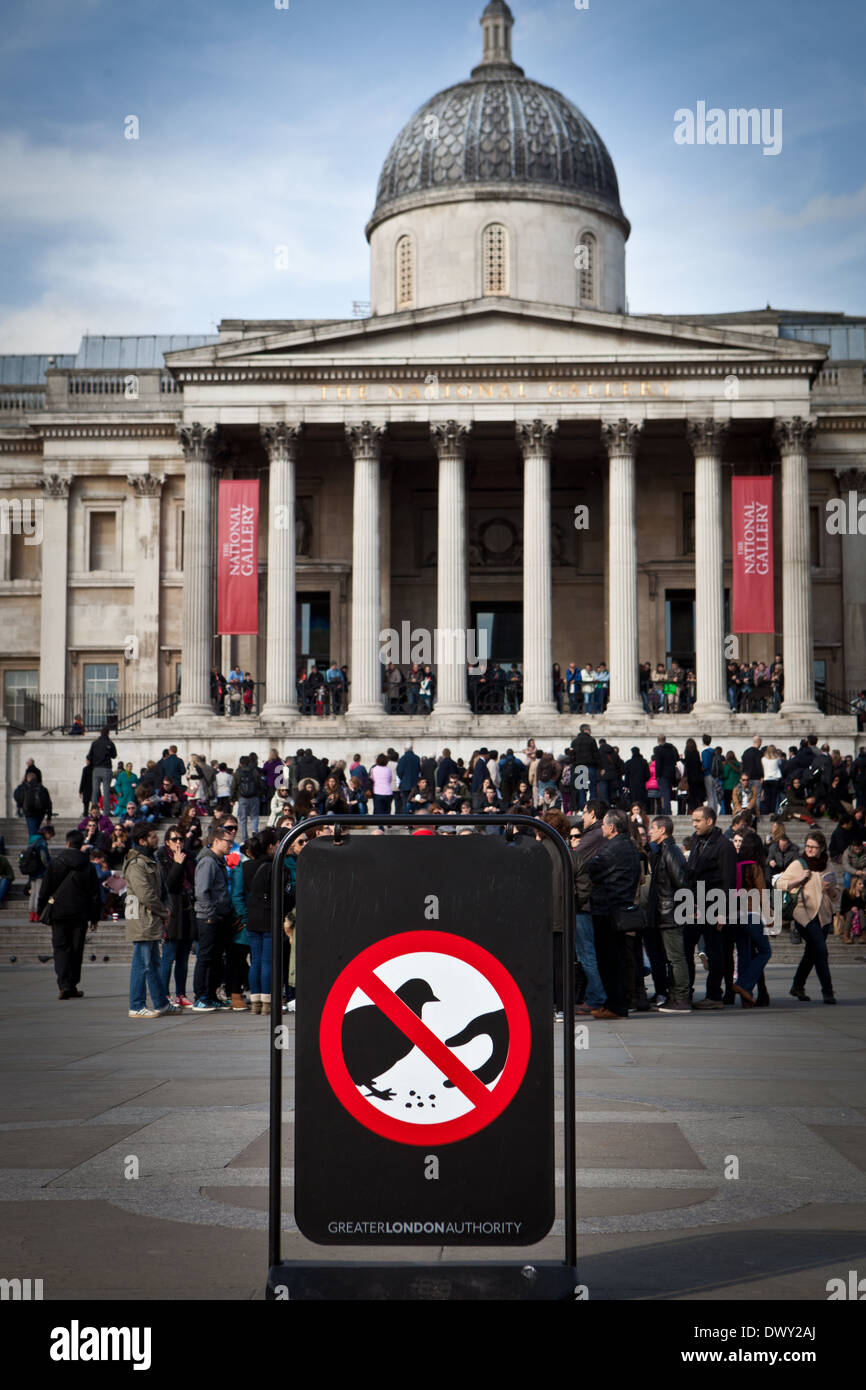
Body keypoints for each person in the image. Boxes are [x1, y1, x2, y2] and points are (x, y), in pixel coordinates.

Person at [586, 809, 642, 1020]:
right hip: (620, 908)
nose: (601, 828)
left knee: (609, 960)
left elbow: (592, 869)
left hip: (607, 910)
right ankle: (615, 1003)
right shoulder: (629, 845)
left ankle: (616, 1006)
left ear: (611, 827)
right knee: (617, 958)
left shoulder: (611, 848)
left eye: (603, 825)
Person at [123, 824, 181, 1019]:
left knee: (153, 963)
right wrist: (163, 912)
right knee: (143, 964)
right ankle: (136, 1004)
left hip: (151, 918)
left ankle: (161, 1003)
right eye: (152, 836)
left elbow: (163, 889)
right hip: (141, 919)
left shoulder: (150, 860)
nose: (156, 838)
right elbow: (145, 894)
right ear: (142, 840)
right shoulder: (136, 863)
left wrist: (167, 908)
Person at [36, 829, 100, 1000]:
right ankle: (72, 984)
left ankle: (64, 984)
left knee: (61, 948)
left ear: (67, 843)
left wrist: (41, 909)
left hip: (58, 912)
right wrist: (95, 917)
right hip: (80, 913)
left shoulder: (55, 863)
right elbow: (95, 894)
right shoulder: (88, 866)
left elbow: (45, 890)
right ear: (81, 846)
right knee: (76, 949)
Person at [777, 831, 840, 1004]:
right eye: (808, 846)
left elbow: (836, 895)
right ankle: (827, 991)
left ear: (822, 849)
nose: (810, 850)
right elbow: (779, 884)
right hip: (803, 913)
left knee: (811, 953)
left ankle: (797, 986)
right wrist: (798, 880)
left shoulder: (827, 865)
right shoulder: (799, 864)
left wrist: (831, 888)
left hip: (824, 915)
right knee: (821, 951)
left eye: (814, 847)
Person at [686, 804, 738, 1009]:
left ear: (710, 821)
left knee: (715, 952)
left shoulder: (724, 846)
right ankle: (685, 991)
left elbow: (729, 881)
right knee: (685, 946)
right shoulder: (697, 842)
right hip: (694, 905)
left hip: (714, 906)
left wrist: (723, 912)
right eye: (693, 821)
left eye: (697, 821)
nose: (694, 824)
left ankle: (714, 995)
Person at [647, 815, 691, 1012]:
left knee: (676, 957)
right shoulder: (663, 851)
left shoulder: (671, 852)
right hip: (665, 912)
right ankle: (675, 995)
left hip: (670, 912)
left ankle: (680, 997)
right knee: (672, 957)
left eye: (653, 828)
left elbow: (682, 883)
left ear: (662, 830)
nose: (650, 832)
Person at [193, 824, 237, 1012]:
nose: (231, 845)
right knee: (205, 957)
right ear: (216, 841)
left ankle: (210, 995)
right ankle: (200, 996)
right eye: (228, 841)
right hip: (208, 918)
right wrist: (211, 914)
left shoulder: (218, 861)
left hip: (220, 917)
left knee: (216, 958)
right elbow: (202, 892)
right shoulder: (208, 862)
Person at [571, 799, 609, 1016]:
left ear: (593, 814)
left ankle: (596, 998)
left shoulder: (593, 836)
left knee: (586, 953)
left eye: (584, 813)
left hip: (586, 905)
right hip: (596, 903)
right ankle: (596, 996)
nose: (582, 817)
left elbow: (572, 860)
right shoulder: (599, 835)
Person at [156, 827, 196, 1009]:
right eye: (174, 839)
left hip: (187, 910)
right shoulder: (162, 858)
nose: (178, 843)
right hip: (172, 911)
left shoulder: (190, 857)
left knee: (183, 957)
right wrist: (178, 864)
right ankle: (163, 994)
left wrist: (183, 862)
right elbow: (168, 884)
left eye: (181, 839)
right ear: (167, 842)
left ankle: (180, 993)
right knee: (169, 956)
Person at [244, 828, 280, 1015]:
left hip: (252, 916)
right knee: (267, 962)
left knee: (255, 960)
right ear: (270, 846)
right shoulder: (274, 865)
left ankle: (255, 1001)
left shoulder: (247, 866)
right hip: (268, 916)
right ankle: (268, 1001)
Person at [87, 725, 118, 816]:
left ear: (100, 733)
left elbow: (89, 756)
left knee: (95, 790)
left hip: (96, 769)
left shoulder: (95, 743)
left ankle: (93, 811)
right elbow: (114, 755)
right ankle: (106, 812)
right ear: (108, 733)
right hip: (106, 769)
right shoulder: (109, 743)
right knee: (106, 791)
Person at [232, 755, 264, 842]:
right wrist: (259, 794)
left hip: (242, 798)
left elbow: (233, 786)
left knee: (243, 819)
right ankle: (254, 832)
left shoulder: (238, 772)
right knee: (254, 816)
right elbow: (260, 784)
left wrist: (232, 799)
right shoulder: (254, 771)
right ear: (249, 762)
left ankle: (244, 837)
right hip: (254, 797)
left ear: (240, 763)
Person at [651, 735, 679, 816]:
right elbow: (676, 759)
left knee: (665, 793)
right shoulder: (671, 748)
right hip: (671, 773)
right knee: (667, 792)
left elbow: (658, 764)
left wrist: (657, 775)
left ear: (658, 740)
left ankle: (667, 811)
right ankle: (666, 809)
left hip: (663, 774)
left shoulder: (658, 749)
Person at [395, 741, 421, 813]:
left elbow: (399, 772)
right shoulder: (417, 758)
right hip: (415, 784)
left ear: (405, 749)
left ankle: (406, 820)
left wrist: (402, 779)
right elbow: (419, 771)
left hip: (405, 784)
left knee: (405, 803)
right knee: (415, 803)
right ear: (412, 748)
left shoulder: (402, 759)